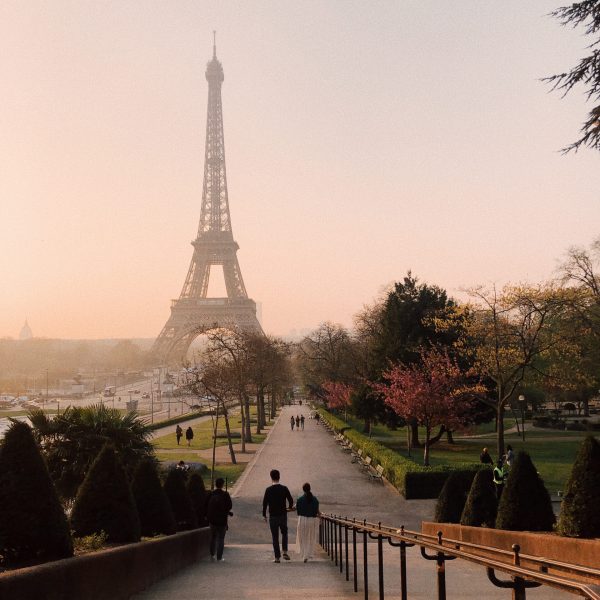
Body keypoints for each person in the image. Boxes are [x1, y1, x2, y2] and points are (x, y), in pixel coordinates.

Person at [262, 469, 294, 563]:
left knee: (275, 536)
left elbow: (264, 504)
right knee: (284, 533)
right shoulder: (284, 488)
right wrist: (289, 507)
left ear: (271, 477)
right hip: (283, 515)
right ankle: (285, 551)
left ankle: (277, 557)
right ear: (279, 477)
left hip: (273, 516)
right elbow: (291, 500)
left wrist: (264, 515)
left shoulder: (268, 490)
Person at [207, 477, 233, 562]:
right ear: (222, 485)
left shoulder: (211, 494)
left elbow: (206, 505)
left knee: (213, 537)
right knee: (221, 538)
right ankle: (219, 557)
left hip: (212, 520)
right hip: (222, 520)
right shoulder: (225, 494)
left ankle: (212, 555)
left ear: (215, 484)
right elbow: (229, 506)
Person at [296, 482, 320, 562]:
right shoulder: (315, 499)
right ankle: (309, 554)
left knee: (303, 537)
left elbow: (297, 509)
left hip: (302, 519)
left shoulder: (299, 500)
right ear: (310, 489)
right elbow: (317, 511)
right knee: (310, 537)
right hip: (311, 520)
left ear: (303, 490)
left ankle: (304, 555)